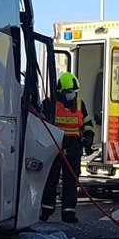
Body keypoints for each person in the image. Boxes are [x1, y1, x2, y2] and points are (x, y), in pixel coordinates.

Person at [40, 72, 95, 223]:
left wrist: (88, 137)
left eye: (74, 92)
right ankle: (46, 210)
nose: (73, 95)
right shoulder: (49, 103)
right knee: (50, 180)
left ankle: (69, 213)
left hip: (73, 148)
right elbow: (41, 123)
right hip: (54, 147)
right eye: (70, 92)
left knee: (71, 181)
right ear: (61, 91)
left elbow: (87, 123)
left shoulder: (79, 104)